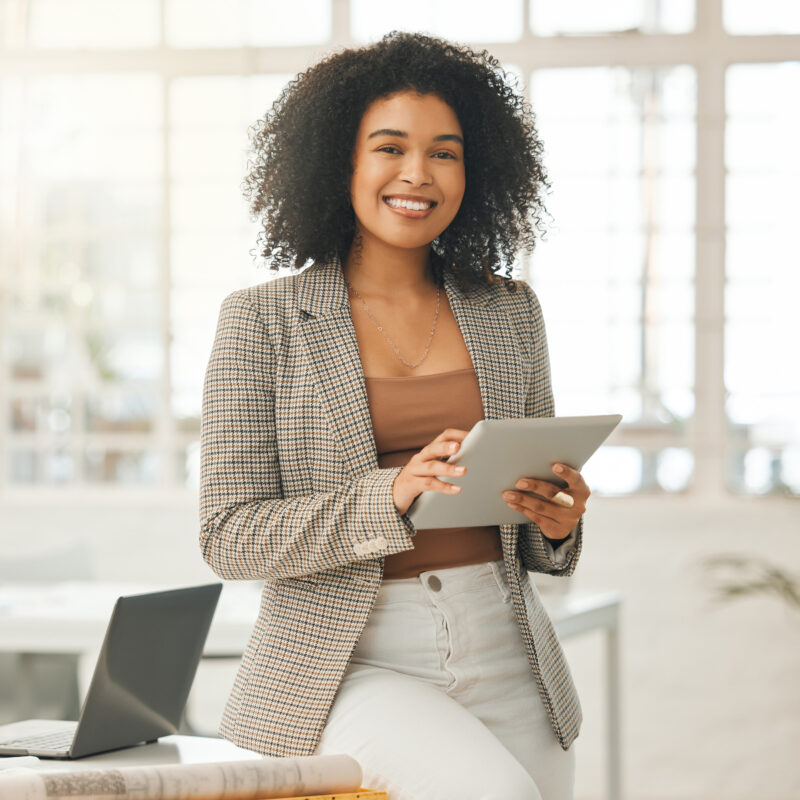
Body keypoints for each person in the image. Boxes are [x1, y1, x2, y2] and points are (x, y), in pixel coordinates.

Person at [199, 31, 591, 800]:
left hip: (509, 649)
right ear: (338, 161)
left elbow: (536, 530)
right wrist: (392, 492)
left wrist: (558, 522)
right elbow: (227, 535)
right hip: (353, 659)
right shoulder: (263, 320)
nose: (418, 174)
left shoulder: (511, 311)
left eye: (444, 152)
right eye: (390, 147)